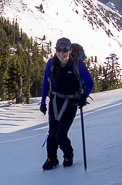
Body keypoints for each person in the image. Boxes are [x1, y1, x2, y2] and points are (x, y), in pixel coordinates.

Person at [40, 37, 94, 170]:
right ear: (56, 50)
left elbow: (89, 83)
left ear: (70, 50)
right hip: (54, 102)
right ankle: (51, 159)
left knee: (60, 136)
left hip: (71, 103)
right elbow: (45, 83)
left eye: (65, 50)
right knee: (52, 133)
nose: (61, 53)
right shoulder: (51, 63)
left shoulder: (78, 64)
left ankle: (68, 154)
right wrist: (43, 102)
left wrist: (84, 96)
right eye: (59, 50)